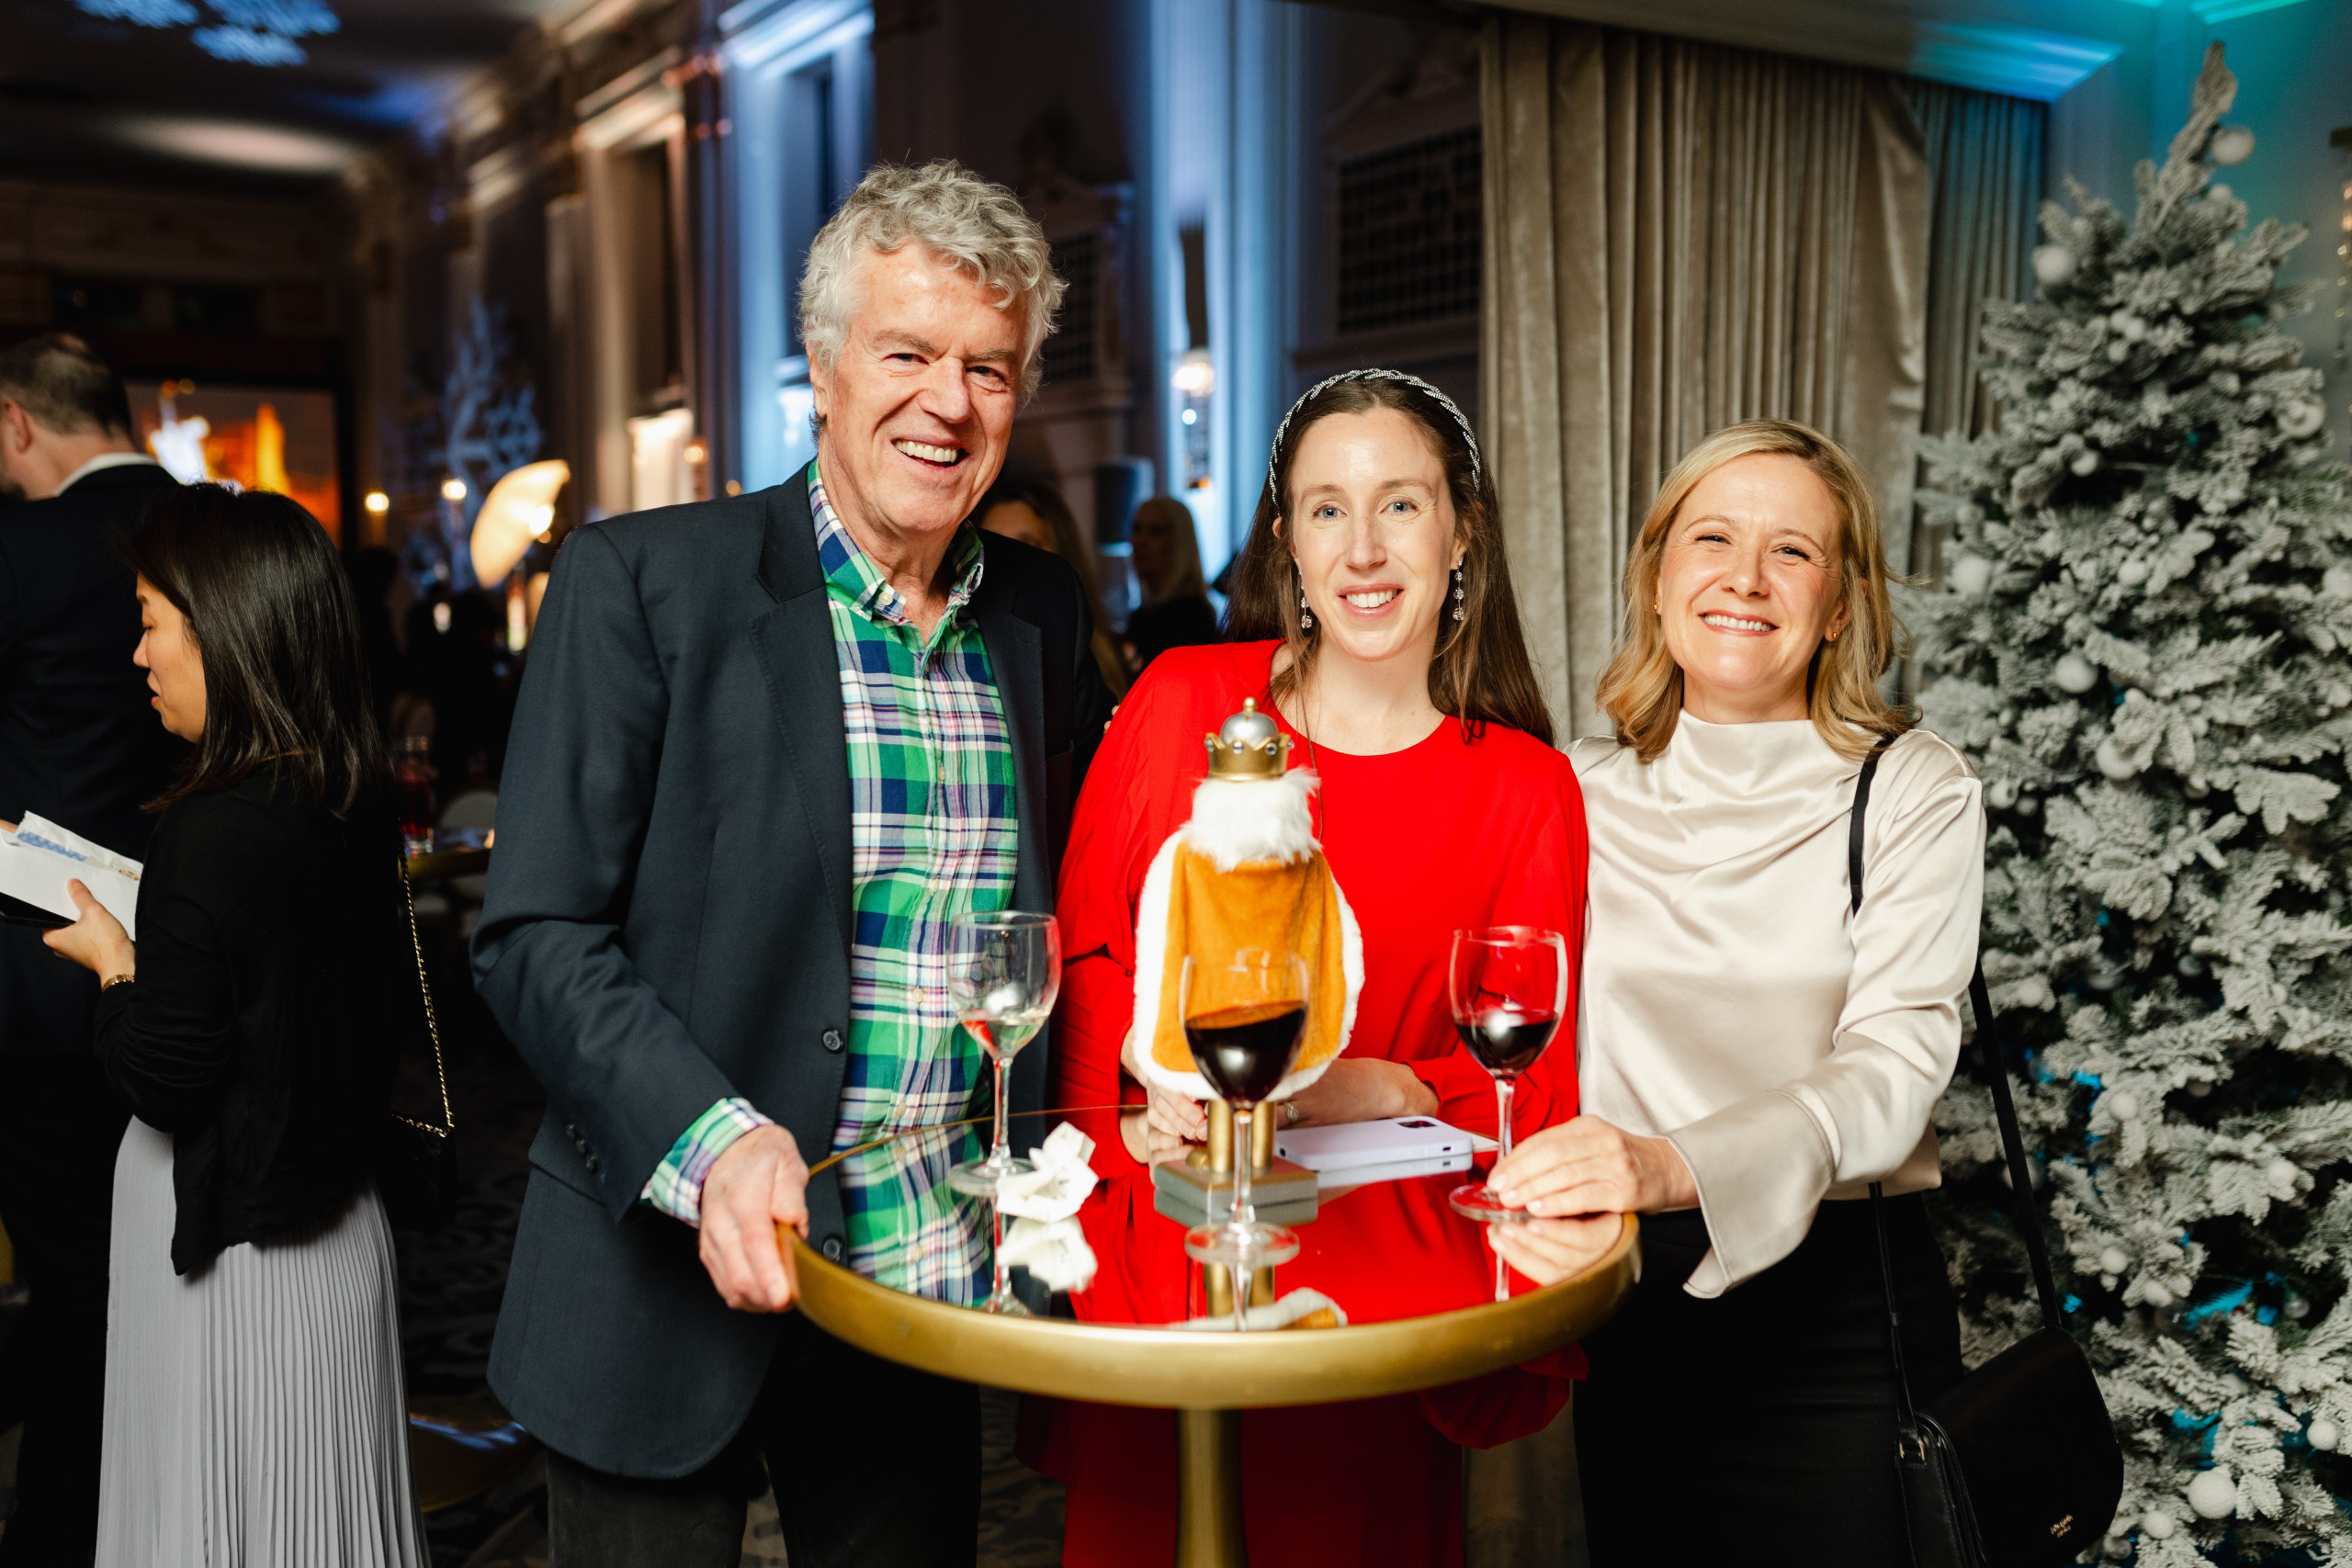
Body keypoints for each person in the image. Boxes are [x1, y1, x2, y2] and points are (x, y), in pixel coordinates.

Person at [469, 160, 1114, 1568]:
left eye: (989, 368)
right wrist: (715, 1141)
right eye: (907, 353)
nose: (949, 401)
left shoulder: (1042, 617)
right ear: (823, 367)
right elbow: (534, 935)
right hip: (659, 1280)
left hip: (917, 1289)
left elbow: (1074, 920)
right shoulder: (643, 583)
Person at [1035, 369, 1589, 1567]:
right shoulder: (1183, 702)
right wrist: (1133, 1119)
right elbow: (1084, 968)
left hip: (1380, 1291)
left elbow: (1533, 1089)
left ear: (1462, 530)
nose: (1365, 545)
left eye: (1401, 502)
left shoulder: (1526, 785)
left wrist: (1387, 1083)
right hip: (1169, 1259)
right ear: (1286, 540)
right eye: (1327, 508)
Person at [1484, 420, 1985, 1565]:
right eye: (1710, 538)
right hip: (1627, 1307)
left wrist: (1672, 1163)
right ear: (1657, 578)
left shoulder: (1911, 787)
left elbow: (1895, 1067)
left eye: (1793, 553)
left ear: (1844, 605)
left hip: (1842, 1320)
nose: (1745, 579)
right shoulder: (1573, 787)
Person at [40, 483, 426, 1567]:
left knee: (225, 1521)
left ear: (226, 632)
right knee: (321, 1518)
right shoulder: (343, 797)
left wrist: (117, 965)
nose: (139, 656)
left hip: (236, 1253)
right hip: (339, 1227)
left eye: (152, 621)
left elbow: (168, 1075)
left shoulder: (210, 831)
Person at [0, 330, 183, 1566]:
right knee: (179, 1266)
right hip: (208, 952)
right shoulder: (224, 526)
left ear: (16, 422)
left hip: (43, 969)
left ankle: (66, 1533)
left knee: (73, 1288)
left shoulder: (16, 551)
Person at [978, 474, 1130, 696]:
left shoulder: (1099, 653)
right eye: (994, 547)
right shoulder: (972, 649)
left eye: (1026, 545)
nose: (1009, 560)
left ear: (1060, 550)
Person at [1122, 494, 1217, 671]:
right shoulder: (1142, 616)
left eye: (1155, 531)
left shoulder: (1193, 619)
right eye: (1137, 529)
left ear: (1180, 542)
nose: (1140, 541)